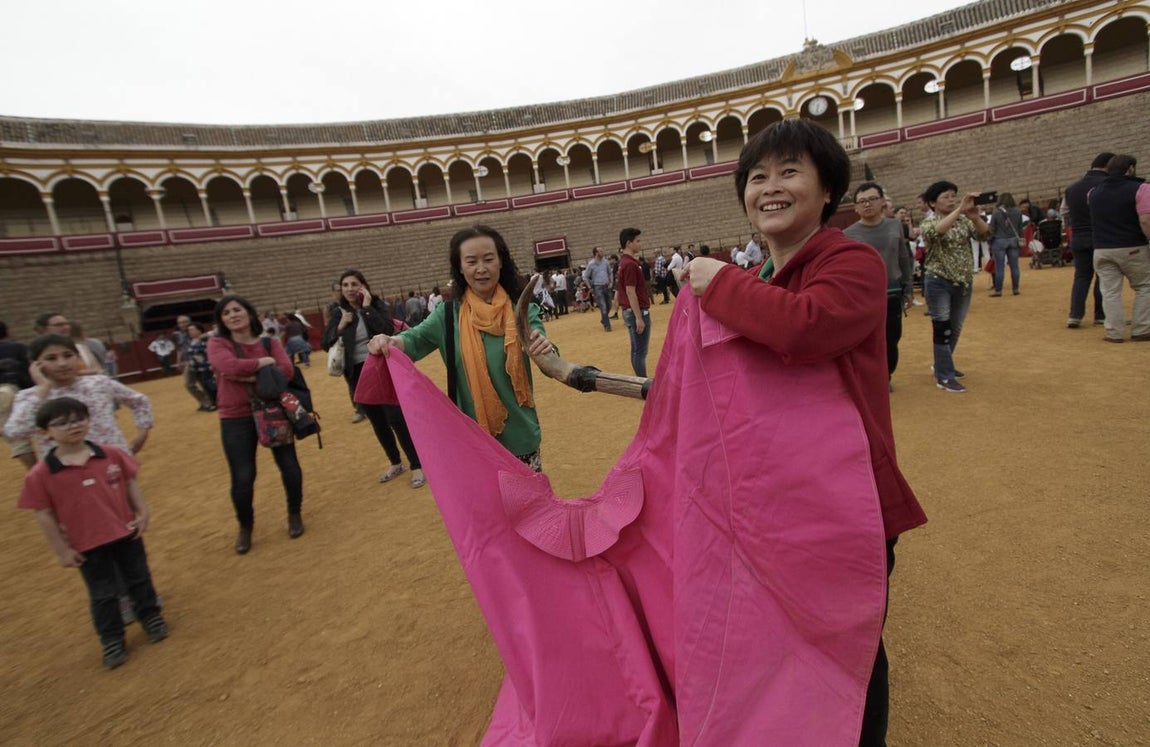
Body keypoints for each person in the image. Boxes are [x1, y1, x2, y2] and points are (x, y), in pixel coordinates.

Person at [681, 117, 927, 743]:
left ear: (827, 192)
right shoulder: (767, 280)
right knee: (785, 636)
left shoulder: (853, 261)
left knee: (850, 650)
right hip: (780, 500)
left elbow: (806, 328)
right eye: (756, 176)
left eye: (790, 171)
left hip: (846, 505)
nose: (770, 186)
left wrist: (721, 281)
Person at [368, 225, 554, 471]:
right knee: (483, 509)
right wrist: (388, 341)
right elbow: (413, 340)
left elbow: (550, 359)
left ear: (501, 262)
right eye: (471, 261)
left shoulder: (522, 310)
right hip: (471, 442)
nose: (481, 269)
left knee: (528, 508)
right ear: (460, 267)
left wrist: (545, 347)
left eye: (488, 259)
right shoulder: (446, 316)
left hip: (522, 438)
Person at [17, 396, 169, 669]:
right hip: (86, 542)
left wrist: (142, 512)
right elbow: (43, 513)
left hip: (125, 531)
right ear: (45, 432)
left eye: (78, 419)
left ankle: (151, 617)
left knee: (139, 578)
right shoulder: (41, 474)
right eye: (61, 423)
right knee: (102, 593)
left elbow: (129, 481)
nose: (73, 426)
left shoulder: (110, 453)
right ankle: (112, 639)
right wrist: (62, 550)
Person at [207, 295, 305, 554]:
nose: (233, 315)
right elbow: (225, 365)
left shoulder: (269, 341)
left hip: (271, 409)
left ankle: (294, 514)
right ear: (221, 320)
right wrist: (264, 364)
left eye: (237, 310)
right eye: (226, 313)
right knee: (242, 475)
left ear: (249, 313)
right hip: (235, 415)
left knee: (289, 465)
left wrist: (242, 373)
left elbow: (285, 372)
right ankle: (245, 527)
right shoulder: (218, 343)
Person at [321, 270, 425, 487]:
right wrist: (340, 326)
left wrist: (367, 308)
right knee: (377, 421)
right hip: (356, 374)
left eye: (354, 284)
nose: (349, 288)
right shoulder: (338, 313)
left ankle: (416, 465)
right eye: (345, 285)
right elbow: (325, 343)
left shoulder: (375, 305)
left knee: (395, 418)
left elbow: (388, 330)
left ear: (363, 286)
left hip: (380, 369)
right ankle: (395, 462)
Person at [4, 334, 153, 459]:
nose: (62, 363)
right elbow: (15, 432)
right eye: (51, 358)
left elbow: (139, 401)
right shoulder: (29, 397)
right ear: (36, 365)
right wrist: (42, 390)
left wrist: (142, 434)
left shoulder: (99, 383)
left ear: (77, 357)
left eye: (68, 355)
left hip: (113, 462)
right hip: (66, 472)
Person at [919, 179, 991, 392]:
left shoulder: (963, 221)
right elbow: (935, 232)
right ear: (933, 203)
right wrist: (960, 209)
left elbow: (985, 234)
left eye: (953, 196)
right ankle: (944, 375)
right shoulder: (928, 222)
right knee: (942, 329)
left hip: (963, 280)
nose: (951, 200)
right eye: (946, 197)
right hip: (938, 280)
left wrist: (975, 217)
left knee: (956, 326)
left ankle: (943, 364)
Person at [844, 182, 914, 390]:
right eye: (862, 201)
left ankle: (887, 374)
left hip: (892, 292)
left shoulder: (895, 226)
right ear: (855, 207)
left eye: (872, 199)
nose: (867, 205)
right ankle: (872, 378)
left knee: (892, 339)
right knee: (867, 341)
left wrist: (908, 288)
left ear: (882, 202)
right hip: (864, 297)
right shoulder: (848, 234)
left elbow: (904, 258)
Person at [1087, 154, 1150, 342]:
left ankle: (1114, 332)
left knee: (1110, 292)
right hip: (1132, 246)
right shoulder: (1141, 188)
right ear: (1130, 168)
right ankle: (1141, 328)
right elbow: (1146, 220)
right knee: (1145, 286)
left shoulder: (1093, 192)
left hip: (1101, 249)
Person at [1063, 152, 1114, 328]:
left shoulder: (1072, 188)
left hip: (1078, 235)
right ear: (1109, 166)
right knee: (1103, 276)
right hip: (1100, 235)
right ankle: (1100, 315)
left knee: (1081, 277)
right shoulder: (1107, 185)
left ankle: (1075, 315)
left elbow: (1065, 213)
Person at [616, 227, 652, 377]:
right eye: (637, 241)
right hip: (636, 311)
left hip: (629, 311)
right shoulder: (630, 264)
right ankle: (643, 383)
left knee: (636, 349)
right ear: (629, 243)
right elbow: (631, 291)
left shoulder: (624, 262)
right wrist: (639, 317)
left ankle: (640, 381)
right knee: (640, 351)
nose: (640, 244)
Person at [0, 320, 36, 468]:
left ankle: (34, 471)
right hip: (21, 391)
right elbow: (30, 370)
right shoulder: (18, 348)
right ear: (7, 332)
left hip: (3, 395)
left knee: (18, 440)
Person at [172, 315, 215, 411]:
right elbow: (179, 349)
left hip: (202, 362)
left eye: (185, 322)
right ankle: (206, 401)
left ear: (190, 322)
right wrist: (178, 361)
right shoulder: (178, 335)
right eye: (180, 323)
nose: (183, 324)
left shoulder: (197, 332)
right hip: (188, 362)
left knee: (204, 382)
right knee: (189, 384)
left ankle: (210, 402)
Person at [987, 193, 1025, 296]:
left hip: (999, 240)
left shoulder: (996, 212)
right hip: (1013, 240)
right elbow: (1020, 227)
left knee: (999, 267)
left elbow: (992, 228)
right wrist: (1021, 238)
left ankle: (998, 290)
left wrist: (989, 240)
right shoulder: (1018, 211)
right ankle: (1015, 289)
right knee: (1014, 266)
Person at [184, 322, 217, 409]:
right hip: (194, 366)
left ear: (199, 330)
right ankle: (208, 402)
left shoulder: (206, 338)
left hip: (204, 366)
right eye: (189, 330)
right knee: (197, 384)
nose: (190, 332)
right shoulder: (190, 340)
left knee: (207, 384)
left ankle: (212, 402)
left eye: (192, 330)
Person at [582, 246, 613, 331]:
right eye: (601, 251)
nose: (603, 252)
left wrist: (611, 282)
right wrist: (589, 287)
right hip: (597, 287)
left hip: (606, 286)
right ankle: (607, 326)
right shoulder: (591, 264)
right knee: (603, 306)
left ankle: (604, 319)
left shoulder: (605, 262)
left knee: (609, 305)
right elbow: (585, 277)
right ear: (596, 253)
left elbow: (610, 273)